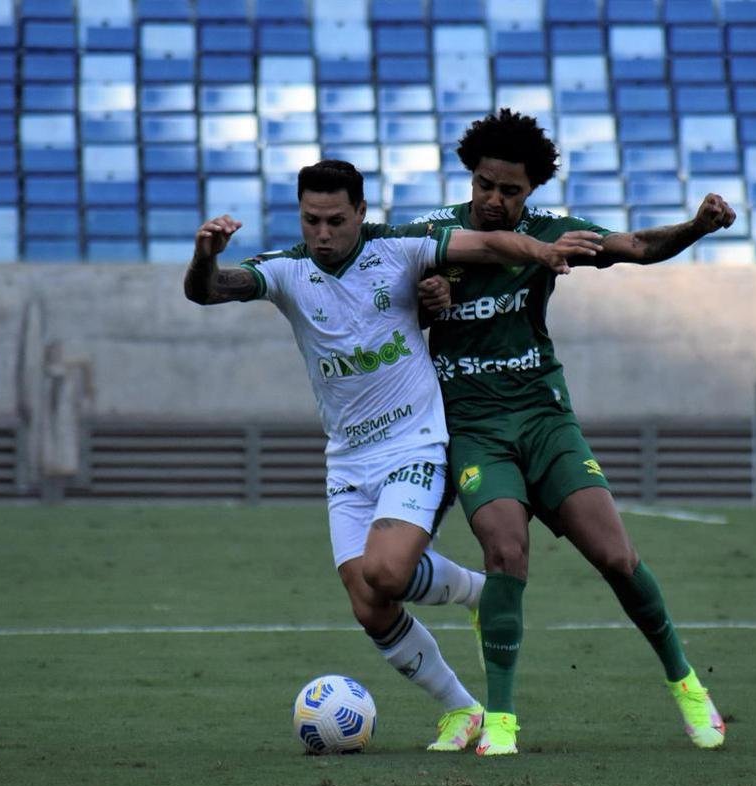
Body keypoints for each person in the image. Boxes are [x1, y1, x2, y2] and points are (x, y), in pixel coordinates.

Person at [184, 159, 603, 752]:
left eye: (335, 220)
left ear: (360, 212)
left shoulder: (400, 249)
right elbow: (206, 291)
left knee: (386, 572)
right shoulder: (286, 271)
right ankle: (462, 707)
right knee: (368, 604)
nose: (322, 233)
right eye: (310, 220)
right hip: (347, 458)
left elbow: (484, 243)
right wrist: (205, 254)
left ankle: (479, 593)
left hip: (415, 443)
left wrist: (539, 250)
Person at [414, 109, 737, 756]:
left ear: (531, 190)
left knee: (616, 557)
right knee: (505, 553)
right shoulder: (431, 235)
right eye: (484, 185)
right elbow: (381, 302)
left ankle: (686, 683)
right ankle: (501, 719)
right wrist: (422, 302)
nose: (494, 199)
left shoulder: (551, 233)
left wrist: (697, 227)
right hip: (475, 428)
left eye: (510, 190)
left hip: (544, 421)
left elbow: (636, 247)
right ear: (470, 177)